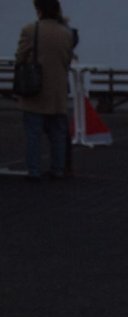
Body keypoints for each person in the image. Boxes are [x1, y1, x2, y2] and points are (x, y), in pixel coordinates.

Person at [14, 0, 75, 181]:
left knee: (33, 134)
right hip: (58, 91)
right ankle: (58, 169)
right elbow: (67, 60)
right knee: (57, 133)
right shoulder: (67, 33)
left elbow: (20, 57)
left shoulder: (30, 30)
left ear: (38, 10)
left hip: (36, 90)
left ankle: (34, 170)